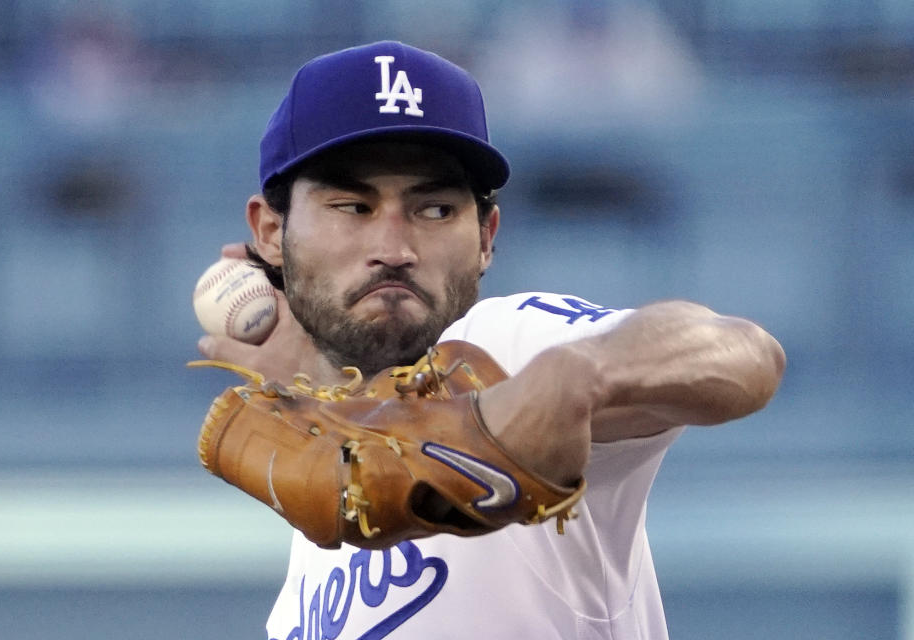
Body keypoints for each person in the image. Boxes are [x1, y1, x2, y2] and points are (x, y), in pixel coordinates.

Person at [195, 41, 785, 640]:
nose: (395, 248)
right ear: (272, 232)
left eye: (434, 210)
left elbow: (743, 352)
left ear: (486, 237)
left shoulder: (506, 343)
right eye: (353, 206)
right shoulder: (319, 509)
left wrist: (573, 379)